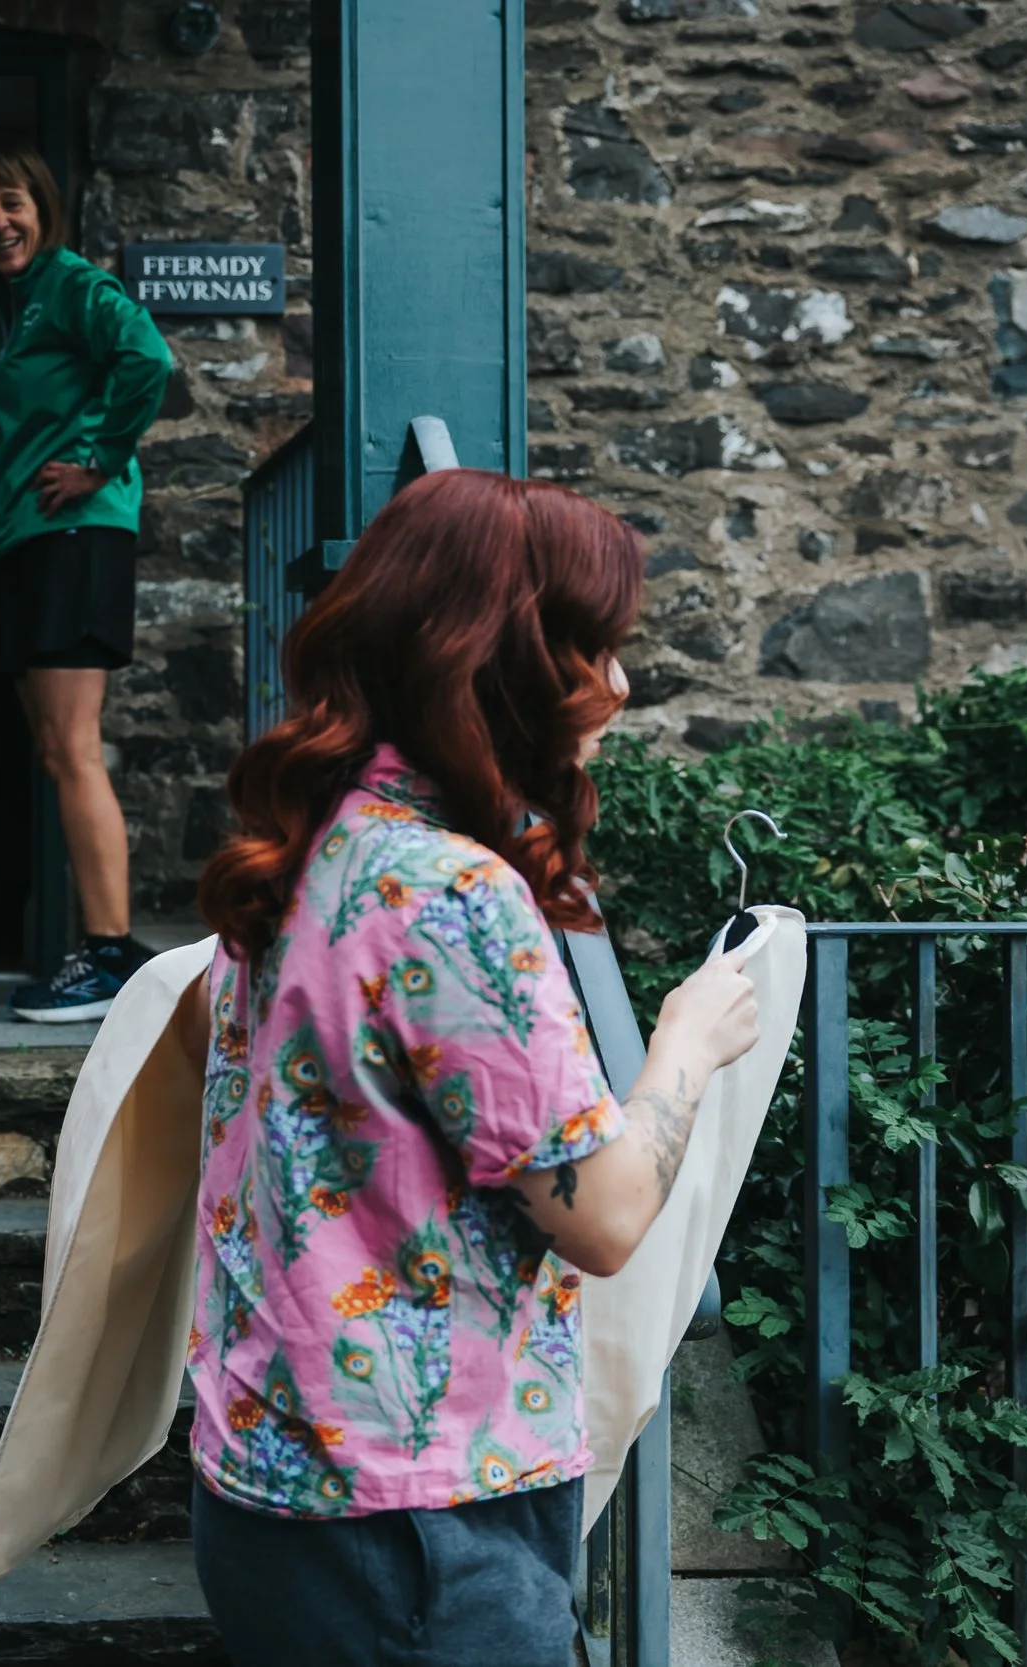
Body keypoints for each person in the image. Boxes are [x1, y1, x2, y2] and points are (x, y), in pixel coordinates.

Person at [180, 470, 762, 1665]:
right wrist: (684, 1049)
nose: (620, 686)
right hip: (416, 1519)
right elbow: (599, 1218)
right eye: (591, 648)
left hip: (271, 1476)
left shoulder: (310, 841)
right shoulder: (451, 892)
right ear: (501, 662)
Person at [0, 134, 174, 1023]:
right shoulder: (20, 303)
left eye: (12, 202)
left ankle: (111, 953)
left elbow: (148, 360)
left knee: (74, 747)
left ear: (44, 208)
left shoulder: (74, 286)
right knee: (55, 750)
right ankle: (99, 946)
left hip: (77, 532)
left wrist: (94, 459)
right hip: (33, 539)